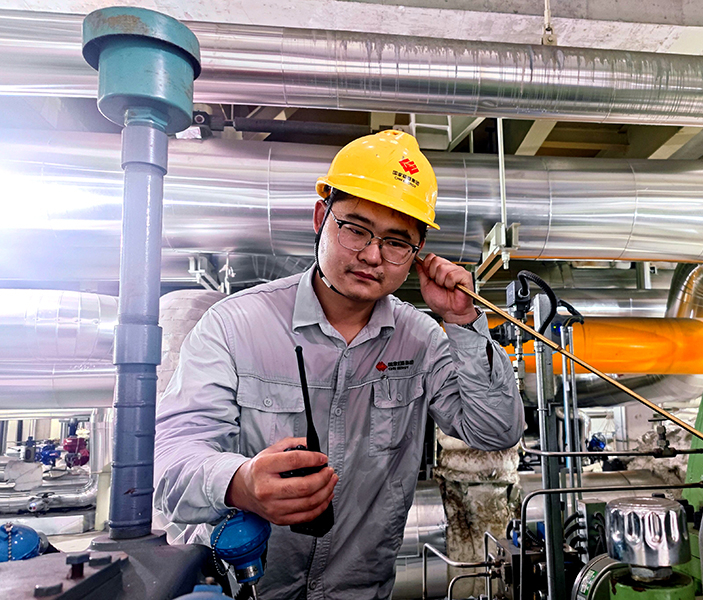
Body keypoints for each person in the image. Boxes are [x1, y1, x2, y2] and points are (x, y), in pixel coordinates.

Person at [153, 130, 525, 599]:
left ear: (416, 256)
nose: (372, 255)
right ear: (320, 217)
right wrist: (240, 482)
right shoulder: (235, 325)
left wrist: (463, 322)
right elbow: (169, 459)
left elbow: (496, 431)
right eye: (355, 228)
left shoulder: (422, 340)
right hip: (249, 588)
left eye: (396, 242)